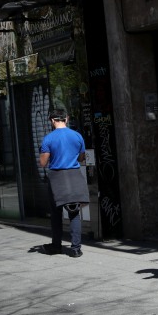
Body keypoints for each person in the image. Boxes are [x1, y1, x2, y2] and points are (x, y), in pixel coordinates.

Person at [39, 109, 89, 258]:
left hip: (57, 177)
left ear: (52, 120)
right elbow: (81, 158)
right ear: (66, 119)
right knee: (74, 213)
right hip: (74, 175)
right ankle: (75, 248)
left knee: (56, 213)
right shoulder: (77, 136)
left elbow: (43, 163)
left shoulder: (48, 139)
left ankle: (56, 246)